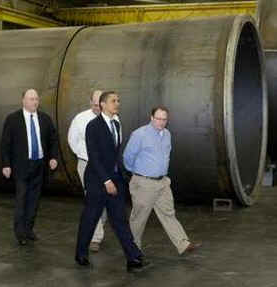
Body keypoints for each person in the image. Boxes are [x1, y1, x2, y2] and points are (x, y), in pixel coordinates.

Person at [75, 91, 149, 273]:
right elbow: (94, 156)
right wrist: (106, 180)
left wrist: (121, 176)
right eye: (113, 101)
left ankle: (132, 257)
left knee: (119, 220)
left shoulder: (116, 123)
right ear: (102, 105)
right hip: (97, 181)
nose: (117, 104)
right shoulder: (93, 126)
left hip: (115, 180)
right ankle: (81, 253)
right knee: (90, 218)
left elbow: (116, 154)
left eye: (118, 101)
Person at [123, 106, 201, 255]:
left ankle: (183, 244)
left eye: (164, 119)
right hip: (144, 183)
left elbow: (166, 155)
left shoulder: (167, 134)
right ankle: (133, 249)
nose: (161, 122)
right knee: (139, 218)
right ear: (151, 118)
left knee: (168, 213)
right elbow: (128, 157)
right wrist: (139, 174)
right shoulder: (140, 134)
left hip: (163, 182)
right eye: (158, 119)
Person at [0, 88, 58, 246]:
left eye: (36, 99)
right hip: (21, 166)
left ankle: (28, 229)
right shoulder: (13, 119)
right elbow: (5, 144)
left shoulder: (45, 119)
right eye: (31, 99)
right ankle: (20, 233)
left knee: (34, 200)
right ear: (23, 100)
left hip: (39, 165)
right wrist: (6, 164)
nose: (35, 102)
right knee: (21, 199)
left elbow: (53, 139)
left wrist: (53, 157)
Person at [68, 90, 120, 252]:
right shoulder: (81, 119)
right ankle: (96, 237)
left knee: (104, 203)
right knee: (93, 200)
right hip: (87, 166)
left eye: (100, 104)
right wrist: (84, 155)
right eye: (95, 104)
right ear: (91, 102)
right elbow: (72, 140)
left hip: (107, 168)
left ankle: (97, 230)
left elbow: (117, 142)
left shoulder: (115, 119)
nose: (97, 107)